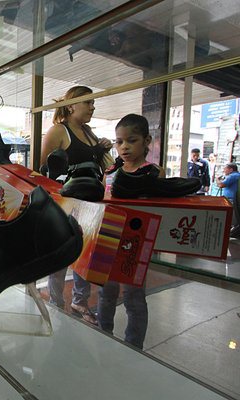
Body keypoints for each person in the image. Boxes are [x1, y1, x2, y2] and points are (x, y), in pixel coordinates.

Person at [40, 85, 113, 324]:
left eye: (93, 104)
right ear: (72, 105)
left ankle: (79, 301)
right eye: (88, 103)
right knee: (61, 255)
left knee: (84, 255)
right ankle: (56, 302)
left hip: (91, 205)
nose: (92, 107)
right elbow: (42, 172)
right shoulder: (58, 131)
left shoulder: (90, 133)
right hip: (65, 204)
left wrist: (103, 148)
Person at [99, 113, 154, 349]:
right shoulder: (110, 172)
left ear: (146, 141)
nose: (124, 147)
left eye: (131, 140)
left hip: (136, 244)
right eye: (119, 141)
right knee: (105, 293)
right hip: (108, 239)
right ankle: (103, 336)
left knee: (134, 298)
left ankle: (133, 347)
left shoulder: (153, 173)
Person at [217, 163, 240, 238]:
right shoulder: (236, 175)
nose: (224, 170)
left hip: (231, 200)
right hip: (233, 199)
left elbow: (221, 185)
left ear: (231, 169)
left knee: (232, 218)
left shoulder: (233, 176)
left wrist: (218, 180)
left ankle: (232, 233)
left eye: (225, 169)